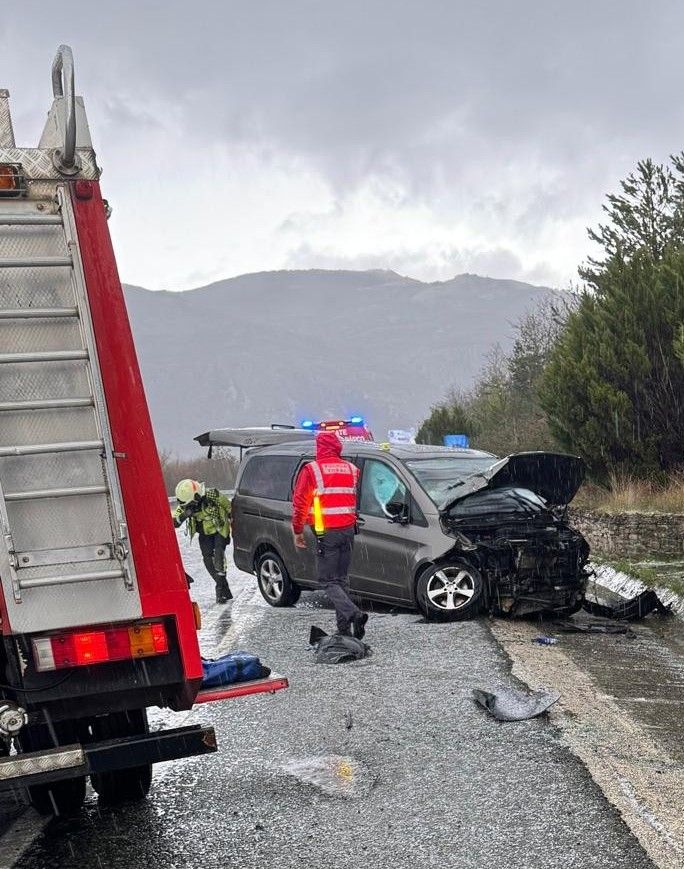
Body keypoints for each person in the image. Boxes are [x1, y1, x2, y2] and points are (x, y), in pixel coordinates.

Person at [291, 431, 368, 639]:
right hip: (348, 530)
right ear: (338, 447)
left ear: (319, 448)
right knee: (341, 580)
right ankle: (344, 630)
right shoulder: (352, 469)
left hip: (327, 533)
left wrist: (297, 530)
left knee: (327, 581)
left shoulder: (312, 470)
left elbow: (300, 504)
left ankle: (354, 614)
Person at [173, 479, 232, 604]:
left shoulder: (212, 494)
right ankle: (223, 587)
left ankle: (220, 590)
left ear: (197, 496)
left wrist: (233, 523)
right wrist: (184, 514)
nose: (189, 507)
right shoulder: (184, 504)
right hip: (204, 533)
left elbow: (228, 506)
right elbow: (174, 522)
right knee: (207, 560)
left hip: (219, 529)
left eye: (190, 504)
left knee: (218, 557)